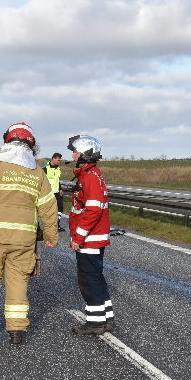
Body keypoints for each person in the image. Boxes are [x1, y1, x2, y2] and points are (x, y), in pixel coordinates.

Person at [0, 122, 59, 345]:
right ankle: (17, 331)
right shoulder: (37, 173)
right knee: (18, 282)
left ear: (8, 142)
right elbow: (48, 207)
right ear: (31, 147)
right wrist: (50, 237)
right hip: (23, 241)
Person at [67, 135, 113, 335]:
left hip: (89, 240)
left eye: (75, 151)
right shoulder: (91, 174)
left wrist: (78, 238)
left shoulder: (90, 177)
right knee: (96, 277)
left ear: (84, 153)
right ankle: (105, 317)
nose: (73, 155)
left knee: (89, 280)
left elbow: (92, 211)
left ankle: (95, 323)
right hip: (93, 238)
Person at [43, 152, 65, 232]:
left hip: (57, 192)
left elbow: (57, 180)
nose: (59, 161)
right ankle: (48, 226)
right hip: (48, 193)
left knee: (60, 208)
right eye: (58, 160)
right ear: (53, 159)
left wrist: (60, 189)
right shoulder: (45, 168)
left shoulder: (58, 168)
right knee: (48, 210)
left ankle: (57, 225)